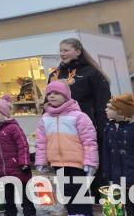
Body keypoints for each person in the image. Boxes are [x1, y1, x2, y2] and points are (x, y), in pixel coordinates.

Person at [35, 81, 98, 216]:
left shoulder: (78, 116)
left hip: (77, 163)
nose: (52, 96)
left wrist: (90, 162)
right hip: (58, 163)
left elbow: (89, 141)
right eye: (49, 94)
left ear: (66, 96)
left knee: (79, 193)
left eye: (57, 93)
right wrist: (41, 161)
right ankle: (72, 213)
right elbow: (41, 142)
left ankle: (84, 214)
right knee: (67, 193)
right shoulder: (45, 118)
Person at [0, 95, 36, 216]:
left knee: (26, 197)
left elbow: (23, 145)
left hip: (19, 170)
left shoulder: (13, 128)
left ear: (4, 114)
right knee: (9, 199)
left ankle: (29, 213)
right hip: (4, 173)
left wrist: (24, 162)